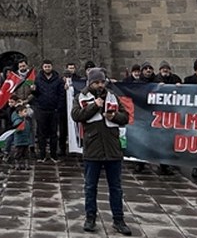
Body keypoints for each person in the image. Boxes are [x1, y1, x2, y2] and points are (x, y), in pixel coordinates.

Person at [71, 67, 132, 235]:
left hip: (112, 149)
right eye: (96, 82)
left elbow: (125, 117)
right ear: (90, 83)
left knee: (116, 187)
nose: (100, 85)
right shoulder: (81, 97)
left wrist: (115, 117)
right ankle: (90, 218)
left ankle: (118, 220)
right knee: (90, 186)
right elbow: (76, 115)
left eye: (102, 82)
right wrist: (94, 107)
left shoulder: (113, 96)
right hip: (93, 149)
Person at [32, 59, 63, 162]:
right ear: (42, 67)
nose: (47, 68)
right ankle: (42, 155)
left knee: (54, 134)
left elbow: (61, 94)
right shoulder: (38, 79)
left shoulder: (58, 79)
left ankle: (54, 155)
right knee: (41, 134)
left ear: (52, 67)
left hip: (54, 110)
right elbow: (36, 95)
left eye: (49, 66)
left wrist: (58, 107)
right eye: (45, 67)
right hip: (41, 109)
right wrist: (34, 90)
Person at [9, 95, 35, 170]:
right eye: (25, 111)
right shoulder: (18, 121)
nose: (26, 113)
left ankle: (26, 164)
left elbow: (29, 130)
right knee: (18, 153)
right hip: (19, 141)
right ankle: (18, 164)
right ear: (20, 112)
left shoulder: (26, 121)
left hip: (25, 141)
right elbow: (16, 129)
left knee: (26, 154)